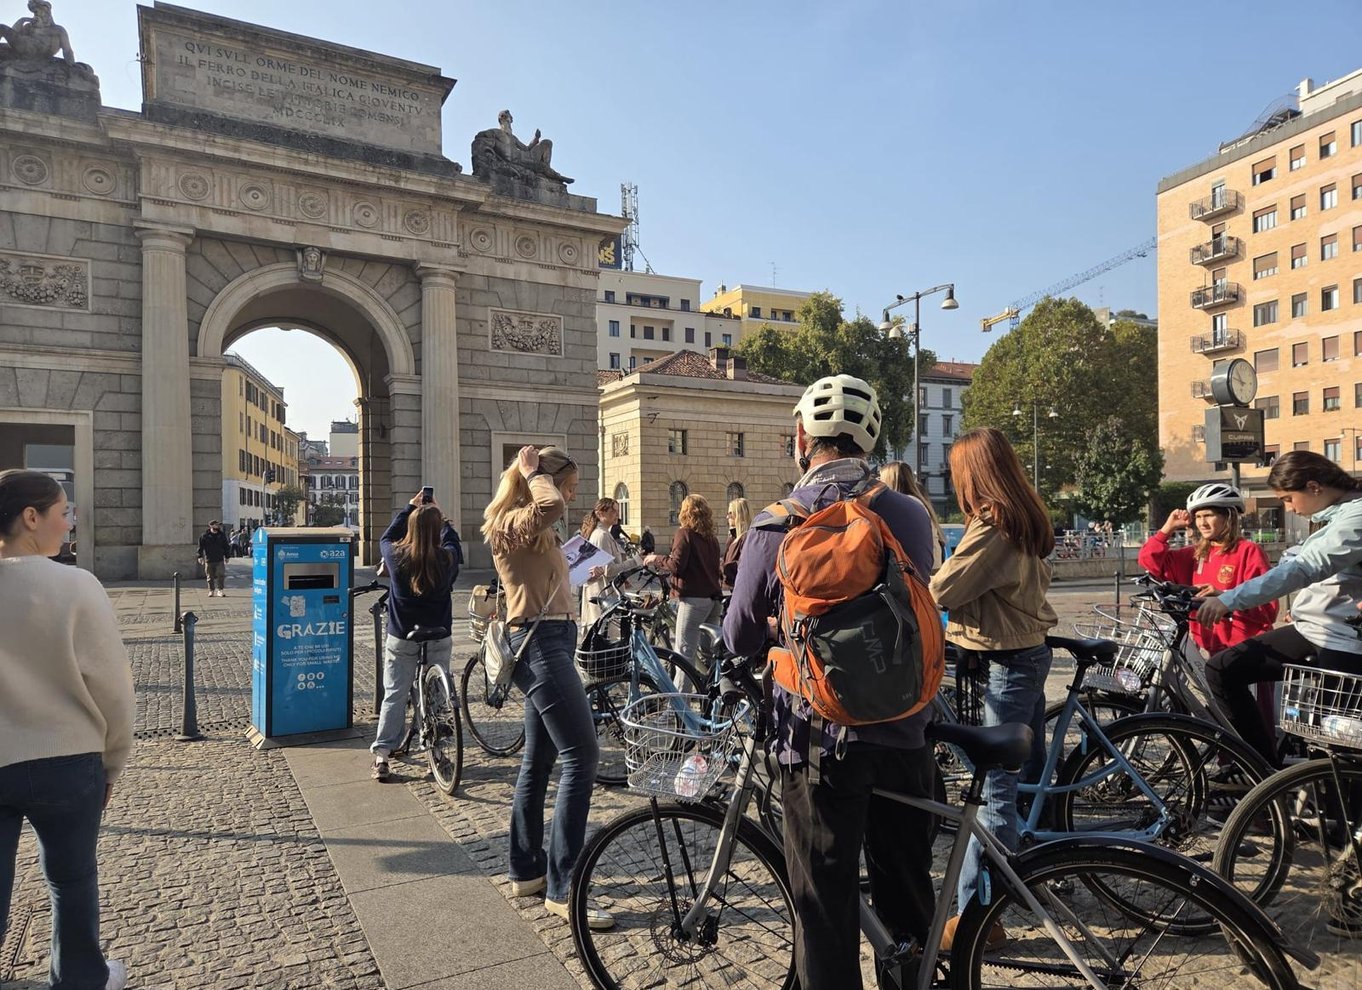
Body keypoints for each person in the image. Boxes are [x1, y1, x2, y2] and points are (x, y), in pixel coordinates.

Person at [724, 374, 938, 989]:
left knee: (823, 903)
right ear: (868, 440)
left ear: (801, 437)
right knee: (906, 889)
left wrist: (779, 630)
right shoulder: (908, 514)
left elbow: (738, 634)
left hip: (817, 741)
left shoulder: (776, 522)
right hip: (903, 731)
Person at [0, 469, 134, 990]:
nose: (69, 523)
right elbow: (113, 689)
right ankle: (81, 977)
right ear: (31, 518)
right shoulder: (75, 585)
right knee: (72, 878)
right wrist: (112, 761)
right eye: (63, 513)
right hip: (67, 760)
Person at [928, 427, 1058, 949]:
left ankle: (976, 918)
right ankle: (1025, 879)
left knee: (993, 795)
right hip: (1027, 654)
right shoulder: (1025, 515)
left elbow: (944, 588)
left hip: (1004, 662)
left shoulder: (994, 526)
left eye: (959, 473)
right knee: (1024, 775)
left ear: (976, 475)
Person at [482, 446, 612, 930]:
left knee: (539, 761)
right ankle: (566, 884)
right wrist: (533, 473)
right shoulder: (511, 520)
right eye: (569, 483)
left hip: (551, 637)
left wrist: (581, 570)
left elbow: (545, 572)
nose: (572, 495)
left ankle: (527, 870)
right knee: (583, 756)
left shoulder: (533, 527)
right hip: (540, 645)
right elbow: (550, 506)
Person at [1197, 451, 1362, 767]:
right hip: (1313, 628)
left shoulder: (1356, 517)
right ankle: (1264, 773)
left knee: (1336, 747)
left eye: (1288, 499)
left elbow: (1306, 567)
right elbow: (1301, 562)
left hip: (1342, 637)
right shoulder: (1336, 513)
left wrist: (1230, 599)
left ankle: (1335, 808)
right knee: (1222, 669)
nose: (1290, 508)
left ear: (1314, 487)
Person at [370, 491, 463, 782]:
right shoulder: (447, 557)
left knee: (395, 694)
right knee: (436, 694)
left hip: (402, 634)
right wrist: (441, 518)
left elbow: (388, 535)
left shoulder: (396, 556)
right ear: (438, 530)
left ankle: (382, 756)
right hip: (439, 632)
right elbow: (452, 541)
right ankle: (436, 749)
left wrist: (411, 507)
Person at [1138, 484, 1277, 656]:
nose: (1202, 523)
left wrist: (1224, 596)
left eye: (1208, 515)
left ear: (1228, 517)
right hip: (1208, 647)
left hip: (1247, 649)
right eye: (1197, 517)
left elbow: (1268, 607)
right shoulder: (1195, 554)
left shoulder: (1248, 551)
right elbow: (1149, 561)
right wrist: (1168, 529)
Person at [645, 494, 722, 668]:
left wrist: (655, 558)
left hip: (693, 601)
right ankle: (711, 692)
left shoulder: (684, 533)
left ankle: (681, 696)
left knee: (684, 655)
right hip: (713, 600)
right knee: (708, 655)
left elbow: (676, 565)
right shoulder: (712, 539)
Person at [880, 460, 947, 571]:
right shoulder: (918, 502)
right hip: (931, 566)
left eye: (881, 479)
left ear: (888, 480)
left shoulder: (900, 506)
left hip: (916, 573)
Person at [579, 497, 633, 628]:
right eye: (613, 511)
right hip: (603, 598)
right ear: (600, 513)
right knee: (605, 642)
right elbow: (609, 570)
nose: (617, 515)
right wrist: (635, 561)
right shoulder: (601, 535)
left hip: (606, 596)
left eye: (617, 511)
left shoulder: (604, 534)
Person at [721, 497, 752, 592]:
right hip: (729, 588)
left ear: (740, 514)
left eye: (730, 513)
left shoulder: (748, 538)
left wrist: (722, 567)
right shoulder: (732, 538)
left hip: (740, 590)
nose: (727, 517)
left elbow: (745, 565)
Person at [197, 519, 231, 597]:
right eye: (216, 525)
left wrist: (227, 556)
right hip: (209, 559)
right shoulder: (204, 536)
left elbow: (226, 546)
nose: (218, 526)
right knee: (210, 576)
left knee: (221, 575)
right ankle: (211, 590)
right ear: (211, 526)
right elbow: (200, 547)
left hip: (219, 559)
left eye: (218, 525)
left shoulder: (221, 535)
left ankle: (220, 590)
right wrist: (200, 556)